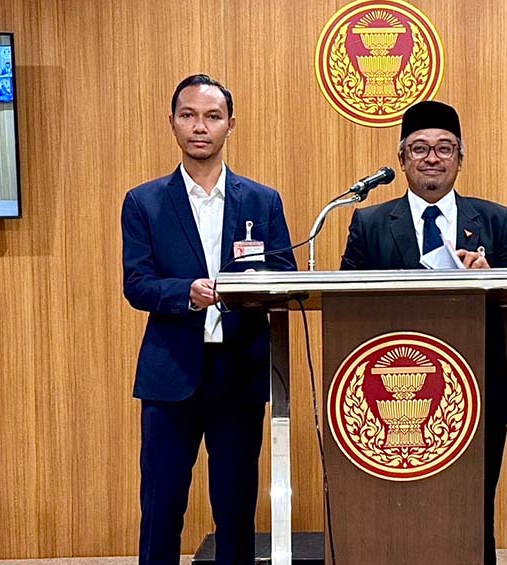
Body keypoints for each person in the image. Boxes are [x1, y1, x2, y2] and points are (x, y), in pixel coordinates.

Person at [340, 100, 507, 564]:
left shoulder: (495, 219)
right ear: (402, 159)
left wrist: (493, 279)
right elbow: (346, 298)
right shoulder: (369, 223)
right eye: (420, 148)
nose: (432, 158)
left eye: (445, 148)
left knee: (472, 505)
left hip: (476, 387)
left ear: (460, 158)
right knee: (394, 507)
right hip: (390, 393)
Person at [121, 74, 297, 565]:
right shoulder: (144, 201)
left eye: (212, 117)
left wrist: (253, 289)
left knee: (236, 510)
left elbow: (285, 274)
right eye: (189, 116)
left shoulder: (262, 200)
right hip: (170, 376)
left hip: (238, 373)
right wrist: (188, 293)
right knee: (161, 508)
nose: (200, 127)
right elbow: (137, 283)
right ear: (173, 123)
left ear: (230, 125)